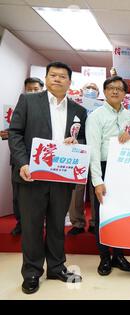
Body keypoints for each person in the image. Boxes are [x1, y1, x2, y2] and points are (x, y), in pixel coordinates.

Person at [8, 61, 86, 294]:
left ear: (70, 82)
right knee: (32, 226)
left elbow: (82, 140)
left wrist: (77, 142)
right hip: (32, 175)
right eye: (53, 75)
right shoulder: (29, 101)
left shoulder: (78, 111)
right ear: (47, 78)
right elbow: (15, 134)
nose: (58, 79)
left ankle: (56, 267)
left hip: (61, 177)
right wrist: (22, 163)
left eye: (63, 76)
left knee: (56, 224)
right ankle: (32, 272)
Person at [86, 76, 130, 276]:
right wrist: (97, 181)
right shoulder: (96, 116)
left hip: (124, 169)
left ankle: (119, 255)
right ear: (105, 92)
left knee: (120, 214)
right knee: (102, 216)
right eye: (111, 88)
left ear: (125, 94)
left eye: (119, 89)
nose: (115, 91)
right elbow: (93, 151)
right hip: (104, 167)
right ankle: (104, 258)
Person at [6, 77, 46, 237]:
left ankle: (38, 223)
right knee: (18, 195)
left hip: (41, 160)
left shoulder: (47, 108)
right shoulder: (22, 104)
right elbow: (14, 131)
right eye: (29, 89)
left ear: (42, 89)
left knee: (39, 196)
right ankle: (20, 222)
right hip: (20, 159)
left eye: (36, 89)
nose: (32, 92)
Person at [67, 83, 100, 236]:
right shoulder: (74, 107)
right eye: (88, 88)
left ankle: (95, 222)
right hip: (77, 149)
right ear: (82, 91)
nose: (91, 91)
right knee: (77, 189)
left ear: (99, 93)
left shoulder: (102, 108)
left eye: (94, 88)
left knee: (95, 186)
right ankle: (77, 222)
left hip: (97, 150)